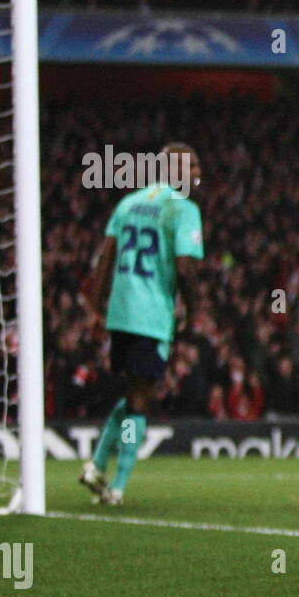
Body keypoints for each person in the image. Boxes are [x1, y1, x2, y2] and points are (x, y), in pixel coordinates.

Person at [79, 143, 204, 505]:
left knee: (136, 393)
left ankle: (97, 465)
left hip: (120, 313)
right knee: (140, 402)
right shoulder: (182, 209)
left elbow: (106, 258)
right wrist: (193, 309)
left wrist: (96, 309)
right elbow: (184, 267)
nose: (198, 172)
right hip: (151, 315)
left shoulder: (128, 203)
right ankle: (117, 485)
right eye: (192, 165)